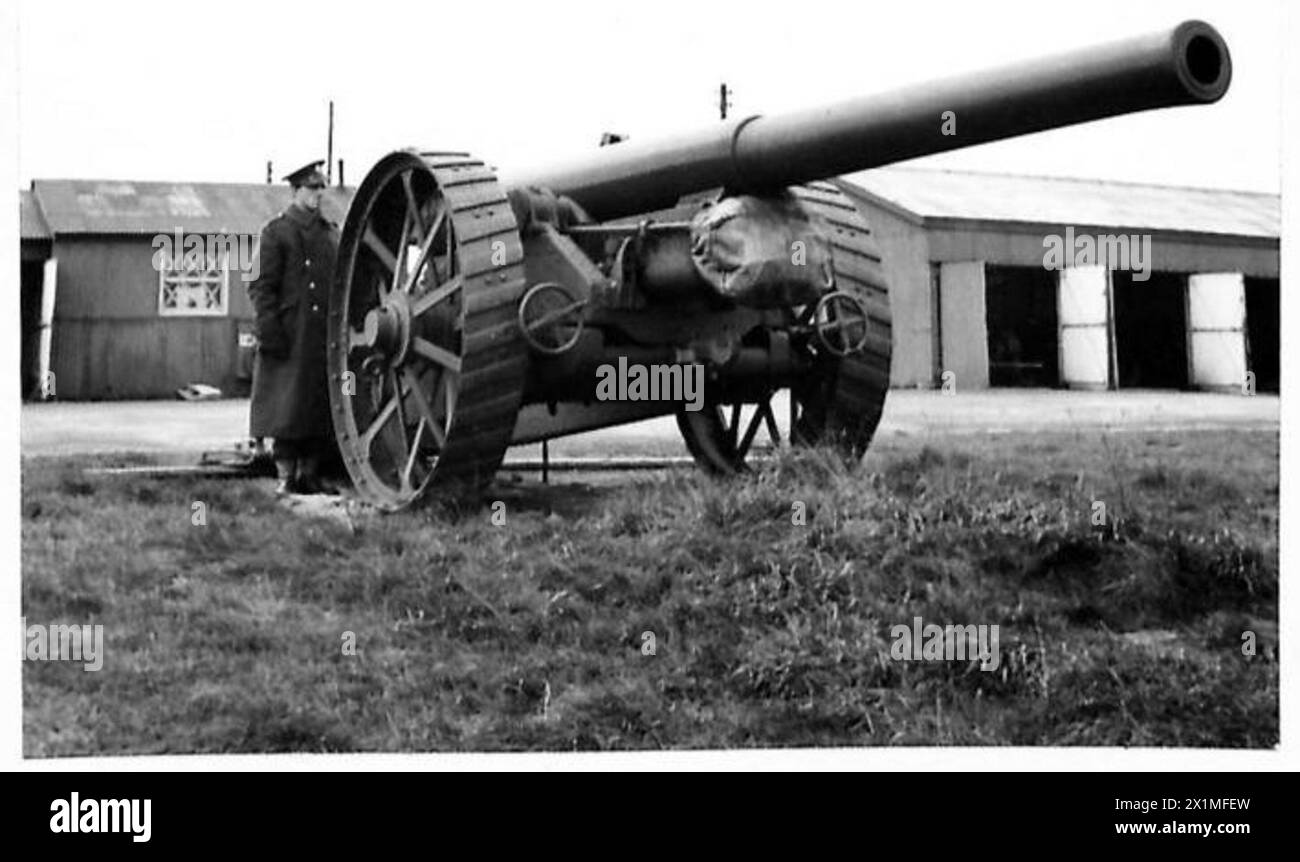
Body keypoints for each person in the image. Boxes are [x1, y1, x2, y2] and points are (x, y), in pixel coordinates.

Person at [247, 160, 340, 496]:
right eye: (311, 188)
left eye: (320, 188)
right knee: (286, 410)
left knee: (318, 408)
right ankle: (286, 476)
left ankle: (309, 475)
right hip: (288, 335)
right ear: (296, 190)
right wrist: (269, 330)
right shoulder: (276, 232)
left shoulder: (331, 234)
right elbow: (260, 286)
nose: (317, 194)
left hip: (321, 338)